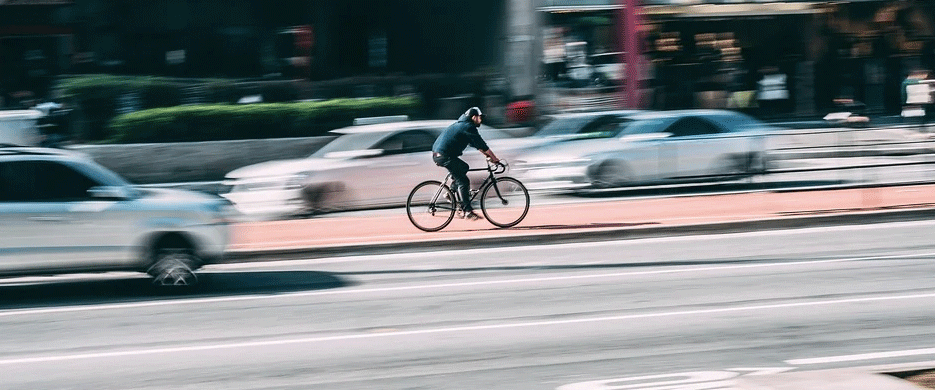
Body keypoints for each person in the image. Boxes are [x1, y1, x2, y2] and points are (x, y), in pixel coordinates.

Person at [432, 107, 501, 221]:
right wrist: (494, 158)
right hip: (444, 156)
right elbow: (482, 144)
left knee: (464, 167)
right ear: (473, 117)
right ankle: (468, 210)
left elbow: (477, 145)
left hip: (441, 155)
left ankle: (451, 192)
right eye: (480, 117)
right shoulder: (468, 127)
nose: (481, 120)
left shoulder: (463, 125)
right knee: (464, 181)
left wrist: (488, 156)